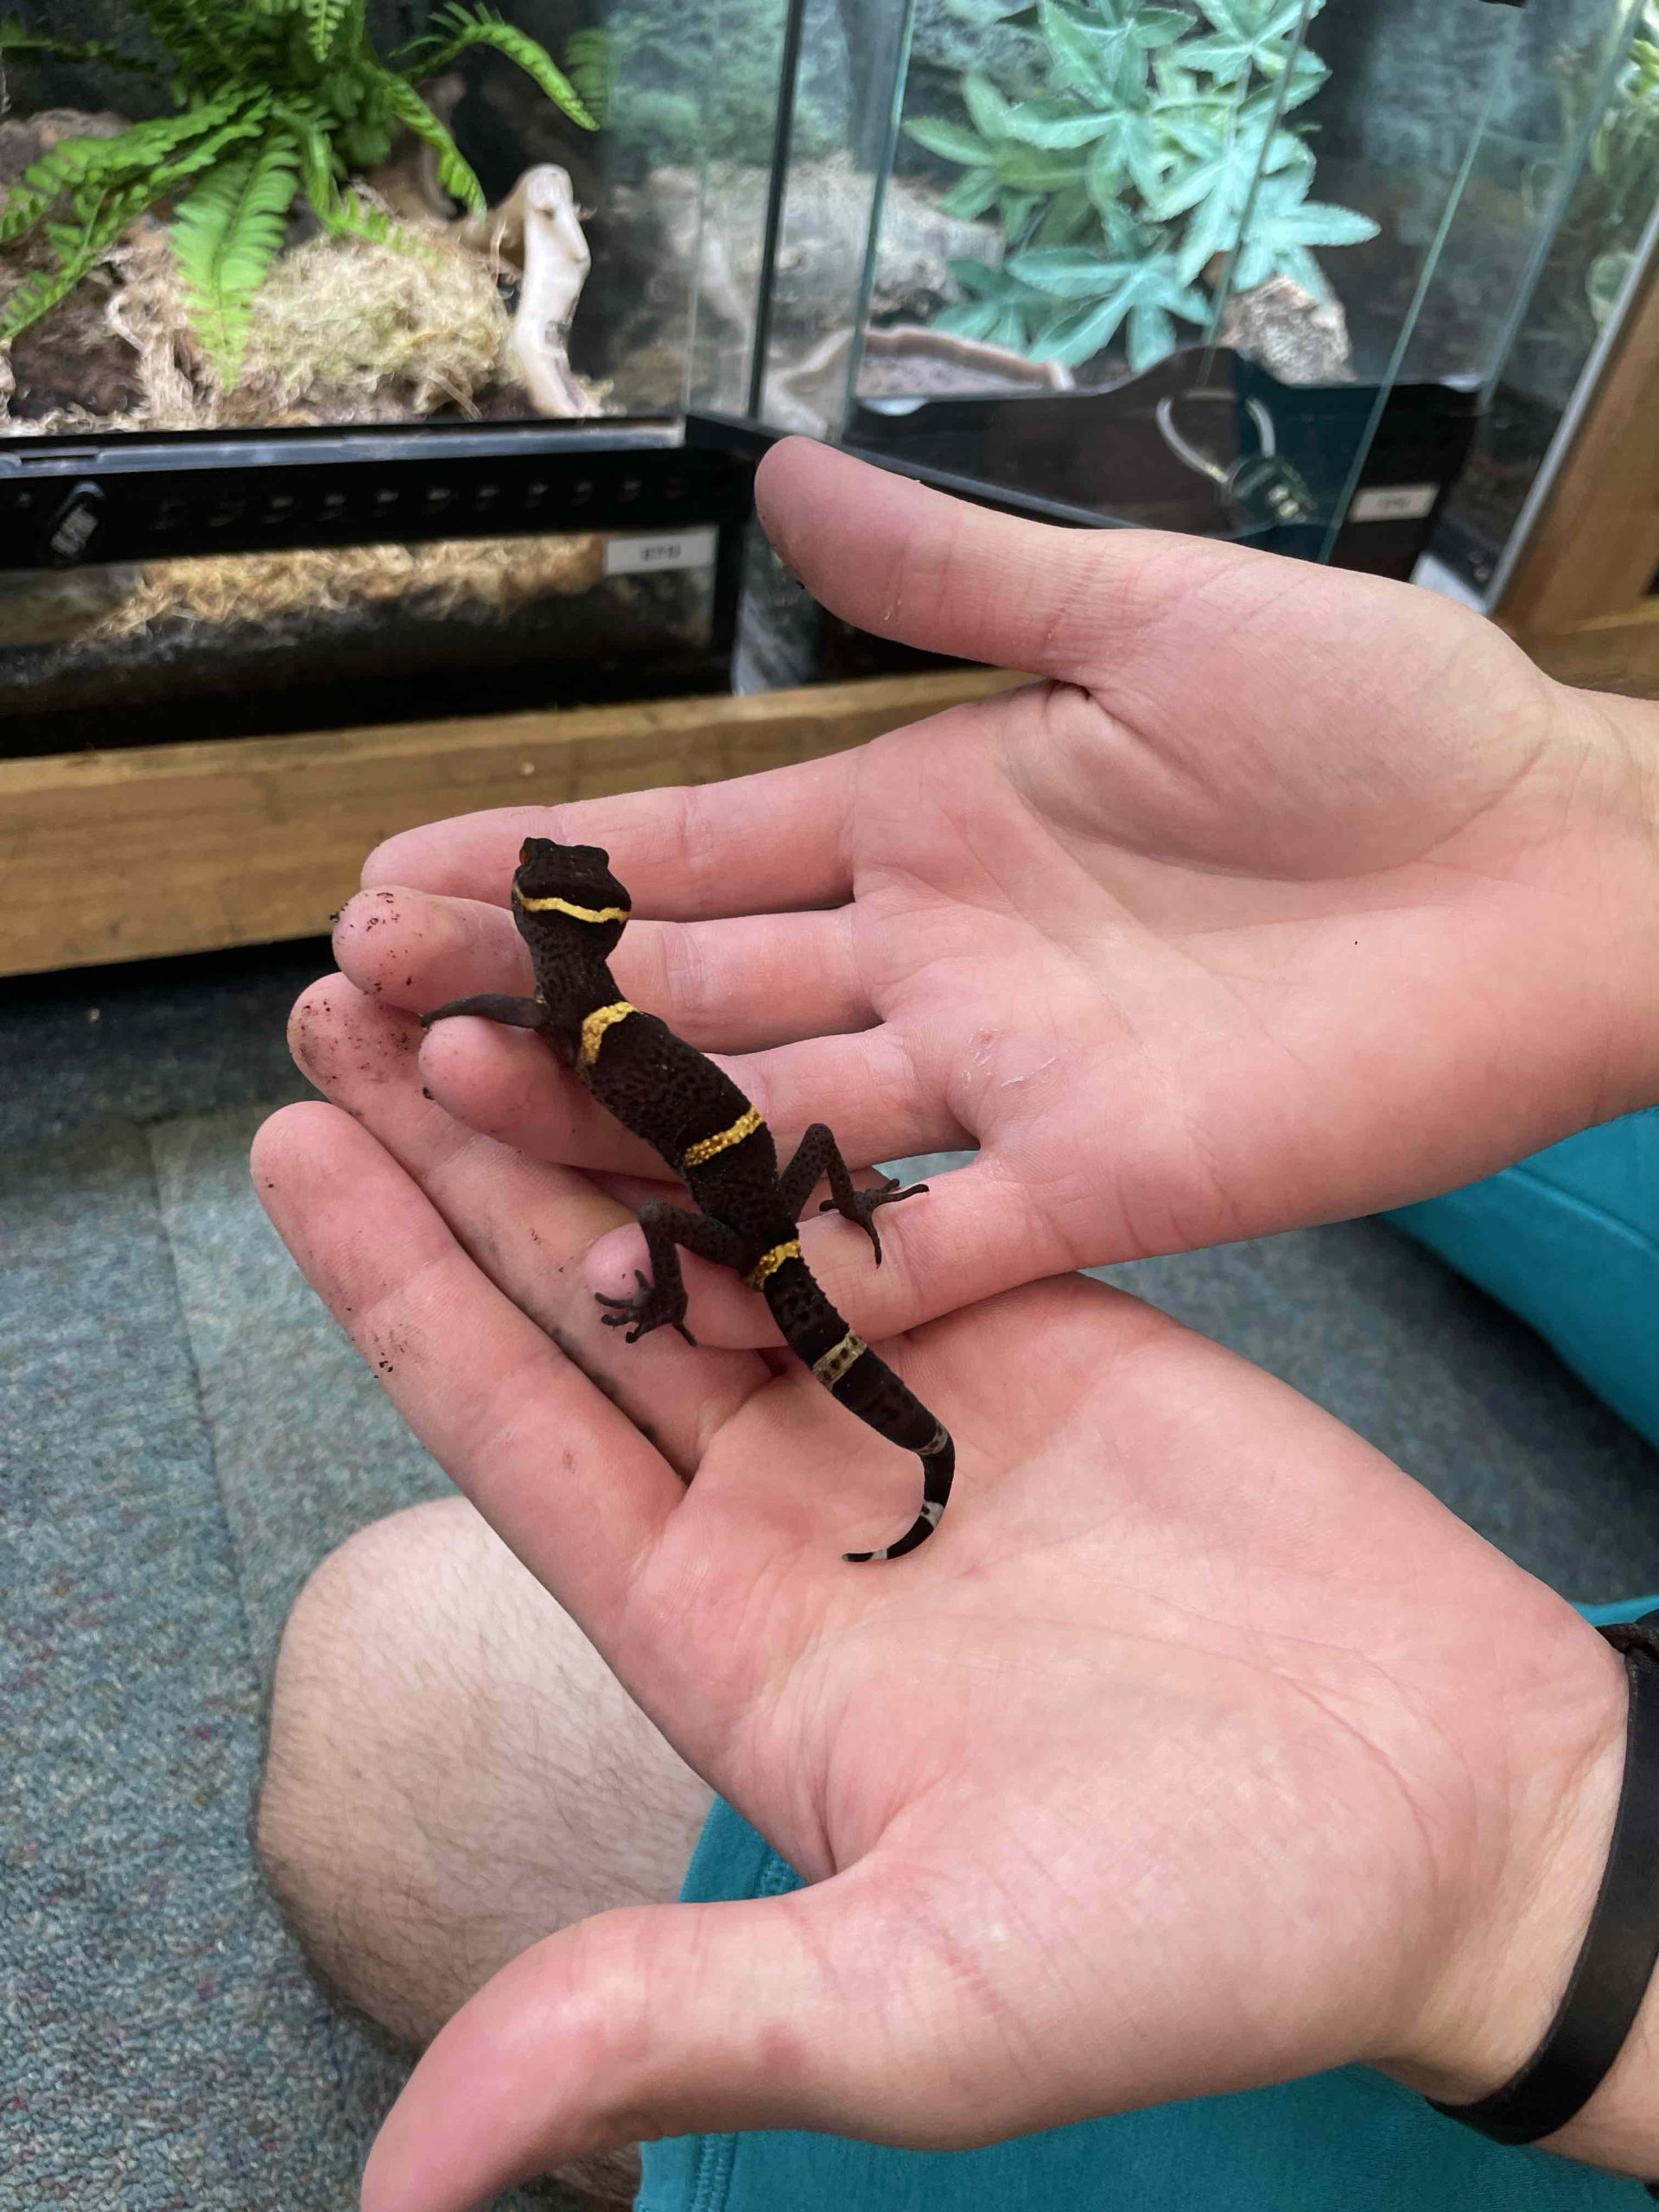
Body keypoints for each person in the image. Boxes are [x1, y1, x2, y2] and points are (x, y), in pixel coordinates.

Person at [252, 440, 1659, 2212]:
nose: (561, 882)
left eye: (556, 886)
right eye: (570, 881)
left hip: (742, 1210)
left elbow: (586, 1081)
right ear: (588, 922)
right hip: (768, 1195)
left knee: (404, 1653)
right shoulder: (589, 1016)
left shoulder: (568, 1014)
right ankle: (864, 1363)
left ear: (552, 934)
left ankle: (859, 1413)